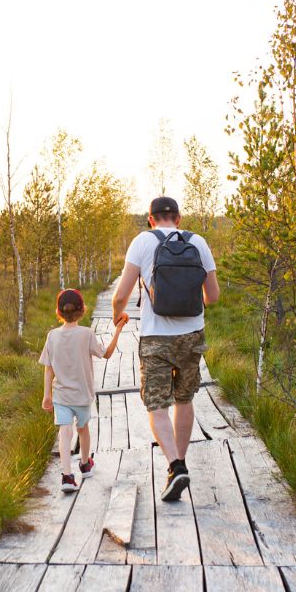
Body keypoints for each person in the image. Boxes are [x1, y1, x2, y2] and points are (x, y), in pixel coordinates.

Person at [112, 197, 219, 501]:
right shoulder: (199, 242)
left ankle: (176, 465)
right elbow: (212, 296)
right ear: (179, 218)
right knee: (184, 399)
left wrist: (117, 314)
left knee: (157, 405)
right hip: (191, 334)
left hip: (155, 335)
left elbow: (121, 294)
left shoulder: (142, 242)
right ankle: (179, 464)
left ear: (150, 218)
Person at [40, 288, 127, 492]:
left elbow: (48, 369)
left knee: (65, 431)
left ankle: (67, 476)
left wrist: (47, 395)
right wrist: (118, 330)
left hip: (61, 395)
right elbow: (106, 354)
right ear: (82, 310)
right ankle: (85, 464)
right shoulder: (87, 334)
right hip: (83, 395)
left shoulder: (52, 336)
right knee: (83, 429)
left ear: (59, 312)